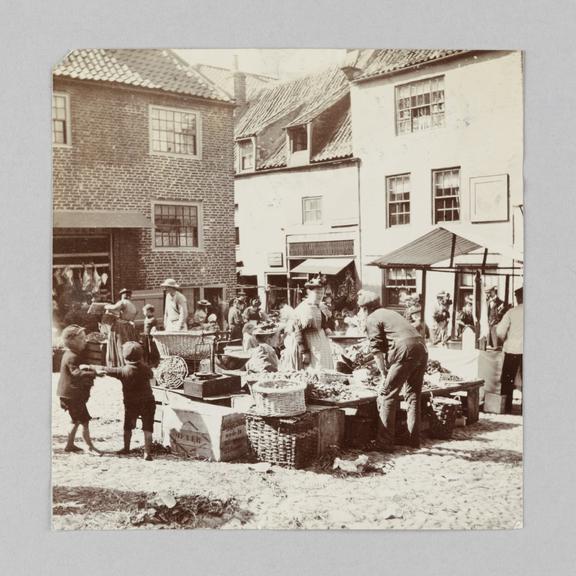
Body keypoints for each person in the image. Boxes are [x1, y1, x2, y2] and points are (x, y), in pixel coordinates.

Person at [358, 290, 428, 451]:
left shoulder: (372, 318)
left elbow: (376, 350)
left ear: (365, 309)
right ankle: (413, 439)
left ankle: (384, 443)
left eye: (361, 309)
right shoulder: (389, 312)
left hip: (405, 349)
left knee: (387, 394)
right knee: (413, 395)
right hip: (421, 347)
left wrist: (383, 373)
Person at [103, 341, 156, 461]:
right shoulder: (146, 369)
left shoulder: (123, 371)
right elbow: (151, 374)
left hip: (131, 404)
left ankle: (126, 448)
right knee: (148, 428)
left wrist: (92, 368)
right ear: (141, 356)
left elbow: (108, 370)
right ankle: (147, 453)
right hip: (148, 402)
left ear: (124, 357)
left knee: (128, 427)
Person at [57, 325, 102, 454]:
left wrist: (87, 368)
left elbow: (77, 368)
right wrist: (94, 373)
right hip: (72, 396)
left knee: (75, 420)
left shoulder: (71, 354)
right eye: (81, 338)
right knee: (84, 421)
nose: (85, 341)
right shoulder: (72, 356)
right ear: (72, 341)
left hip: (69, 395)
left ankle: (70, 445)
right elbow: (76, 372)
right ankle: (89, 447)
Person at [293, 275, 334, 370]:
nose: (320, 295)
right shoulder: (303, 308)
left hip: (322, 339)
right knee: (315, 367)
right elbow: (298, 330)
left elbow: (323, 321)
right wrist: (304, 351)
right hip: (309, 341)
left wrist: (326, 327)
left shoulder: (321, 306)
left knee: (325, 365)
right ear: (309, 292)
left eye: (322, 292)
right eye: (317, 292)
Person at [496, 286, 524, 414]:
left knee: (508, 380)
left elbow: (500, 331)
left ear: (518, 297)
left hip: (513, 349)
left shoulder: (512, 312)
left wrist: (505, 339)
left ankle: (506, 407)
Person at [104, 288, 138, 367]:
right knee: (128, 345)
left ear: (123, 295)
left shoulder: (123, 302)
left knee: (119, 344)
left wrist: (106, 306)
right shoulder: (132, 305)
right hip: (128, 326)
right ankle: (129, 363)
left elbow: (114, 308)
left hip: (120, 327)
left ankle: (118, 364)